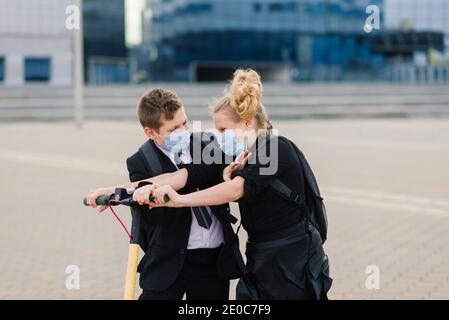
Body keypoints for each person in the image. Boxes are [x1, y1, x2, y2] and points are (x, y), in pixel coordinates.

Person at [132, 69, 333, 300]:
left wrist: (180, 201)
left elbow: (237, 189)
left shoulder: (276, 148)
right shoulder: (242, 155)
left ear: (247, 122)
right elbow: (188, 175)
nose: (217, 136)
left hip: (292, 257)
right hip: (261, 255)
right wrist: (120, 190)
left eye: (223, 130)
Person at [87, 88, 242, 300]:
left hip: (213, 260)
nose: (183, 131)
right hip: (169, 261)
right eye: (173, 129)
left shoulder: (208, 145)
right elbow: (149, 211)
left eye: (185, 123)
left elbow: (191, 177)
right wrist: (128, 194)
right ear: (151, 132)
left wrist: (120, 188)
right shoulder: (141, 161)